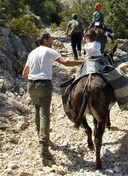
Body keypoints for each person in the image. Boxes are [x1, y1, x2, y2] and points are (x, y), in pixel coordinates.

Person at [22, 32, 82, 161]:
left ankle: (40, 135)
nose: (52, 41)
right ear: (45, 40)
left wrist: (33, 79)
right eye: (50, 39)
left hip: (31, 85)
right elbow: (65, 62)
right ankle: (44, 147)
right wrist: (82, 61)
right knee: (45, 114)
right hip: (44, 85)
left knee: (37, 109)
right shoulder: (49, 51)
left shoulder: (32, 53)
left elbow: (24, 73)